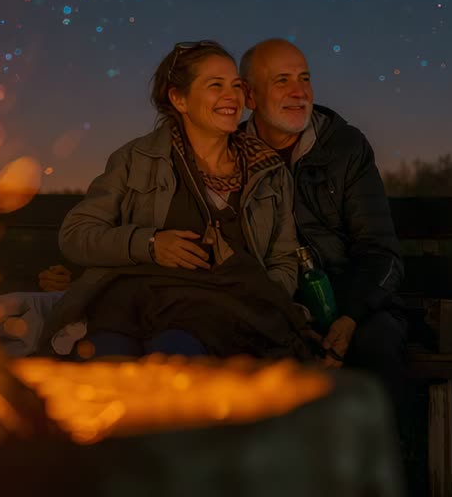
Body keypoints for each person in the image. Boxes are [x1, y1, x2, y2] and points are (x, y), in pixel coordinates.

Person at [47, 40, 311, 360]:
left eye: (237, 85)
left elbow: (283, 263)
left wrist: (243, 282)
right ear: (179, 99)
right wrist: (149, 244)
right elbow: (75, 234)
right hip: (128, 308)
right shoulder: (137, 159)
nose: (232, 96)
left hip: (221, 319)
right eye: (215, 85)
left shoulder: (269, 172)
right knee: (108, 368)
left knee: (176, 360)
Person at [239, 38, 409, 408]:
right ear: (250, 97)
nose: (299, 92)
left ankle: (377, 461)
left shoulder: (344, 147)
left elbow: (379, 251)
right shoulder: (229, 156)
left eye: (305, 78)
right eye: (282, 80)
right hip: (274, 305)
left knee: (376, 343)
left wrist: (348, 318)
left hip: (353, 303)